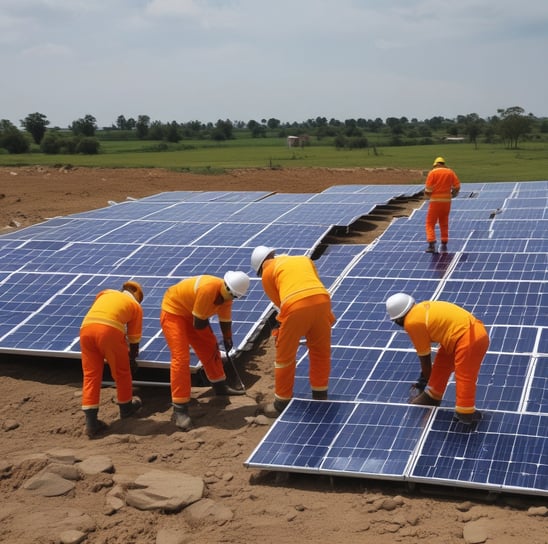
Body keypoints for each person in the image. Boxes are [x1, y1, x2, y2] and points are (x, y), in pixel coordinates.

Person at [250, 246, 335, 418]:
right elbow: (314, 283)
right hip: (323, 301)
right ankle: (320, 395)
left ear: (260, 267)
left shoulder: (267, 272)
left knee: (285, 356)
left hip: (295, 305)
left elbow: (280, 303)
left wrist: (283, 328)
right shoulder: (303, 259)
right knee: (320, 351)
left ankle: (281, 402)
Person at [160, 271, 250, 431]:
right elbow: (199, 324)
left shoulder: (228, 297)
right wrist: (211, 309)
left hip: (193, 314)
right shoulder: (208, 289)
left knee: (210, 346)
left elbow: (225, 319)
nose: (232, 299)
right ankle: (180, 409)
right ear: (226, 287)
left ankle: (220, 387)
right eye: (232, 295)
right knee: (181, 358)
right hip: (174, 312)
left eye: (235, 297)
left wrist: (227, 338)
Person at [385, 293, 489, 425]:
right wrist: (424, 381)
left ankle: (465, 413)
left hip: (469, 337)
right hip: (458, 335)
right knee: (441, 365)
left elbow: (425, 358)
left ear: (398, 319)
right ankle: (432, 396)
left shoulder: (412, 322)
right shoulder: (420, 309)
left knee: (464, 375)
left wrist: (423, 382)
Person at [80, 280, 144, 438]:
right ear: (137, 297)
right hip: (109, 330)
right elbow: (134, 339)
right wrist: (131, 358)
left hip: (86, 330)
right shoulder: (135, 306)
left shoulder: (105, 293)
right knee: (122, 372)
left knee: (91, 375)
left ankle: (91, 423)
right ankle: (126, 409)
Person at [423, 156, 460, 253]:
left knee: (430, 223)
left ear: (435, 165)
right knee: (444, 222)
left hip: (435, 202)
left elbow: (428, 189)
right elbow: (457, 186)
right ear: (443, 164)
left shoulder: (432, 173)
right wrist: (453, 194)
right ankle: (444, 241)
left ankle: (431, 244)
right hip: (447, 202)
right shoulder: (450, 172)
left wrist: (428, 196)